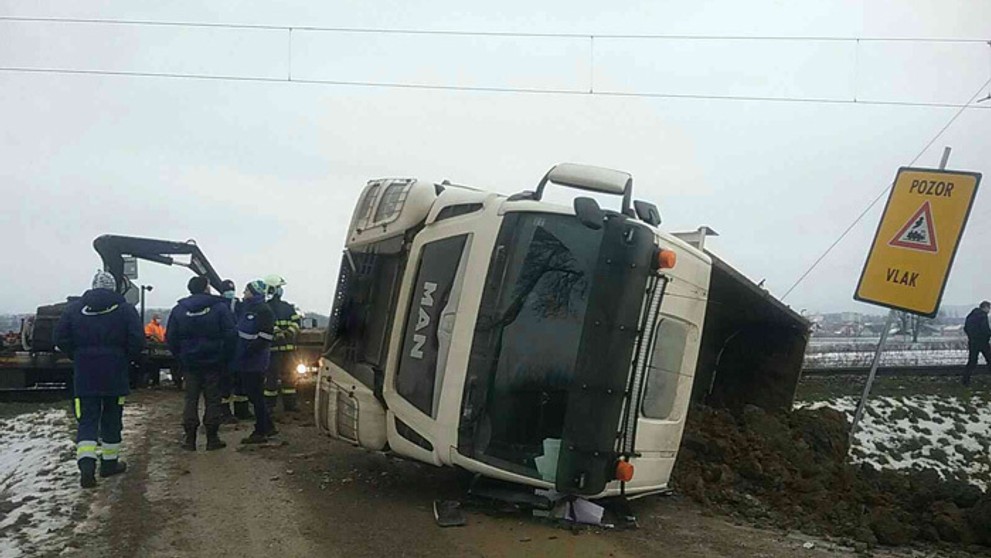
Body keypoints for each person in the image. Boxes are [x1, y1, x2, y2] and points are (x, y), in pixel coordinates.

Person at [55, 270, 144, 488]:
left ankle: (87, 468)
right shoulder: (125, 310)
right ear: (114, 287)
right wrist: (124, 357)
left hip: (85, 374)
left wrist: (78, 355)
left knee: (87, 420)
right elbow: (137, 341)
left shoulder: (74, 309)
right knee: (112, 418)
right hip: (115, 373)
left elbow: (60, 338)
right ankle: (109, 464)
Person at [166, 276, 236, 451]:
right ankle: (212, 438)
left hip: (189, 363)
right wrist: (225, 356)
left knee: (191, 399)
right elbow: (230, 334)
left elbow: (171, 337)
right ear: (206, 288)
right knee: (213, 399)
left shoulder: (179, 310)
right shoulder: (219, 308)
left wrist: (180, 356)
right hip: (214, 362)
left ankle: (190, 439)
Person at [233, 280, 277, 444]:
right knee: (254, 395)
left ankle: (261, 431)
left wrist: (247, 352)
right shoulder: (248, 308)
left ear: (254, 292)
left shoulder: (264, 311)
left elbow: (265, 338)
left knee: (256, 395)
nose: (244, 293)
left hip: (255, 360)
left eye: (246, 290)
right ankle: (268, 426)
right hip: (246, 359)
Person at [264, 275, 303, 413]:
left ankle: (281, 405)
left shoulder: (287, 307)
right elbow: (266, 323)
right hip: (275, 350)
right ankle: (272, 406)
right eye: (279, 287)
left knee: (288, 378)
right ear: (273, 289)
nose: (281, 290)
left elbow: (297, 322)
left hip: (282, 350)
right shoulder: (267, 307)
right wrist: (279, 332)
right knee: (273, 379)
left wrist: (288, 332)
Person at [963, 301, 991, 386]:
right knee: (990, 359)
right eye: (989, 308)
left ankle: (965, 380)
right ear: (985, 307)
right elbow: (985, 329)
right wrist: (988, 334)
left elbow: (965, 328)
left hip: (973, 342)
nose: (989, 310)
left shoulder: (971, 315)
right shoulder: (983, 316)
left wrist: (971, 337)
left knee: (972, 361)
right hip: (983, 342)